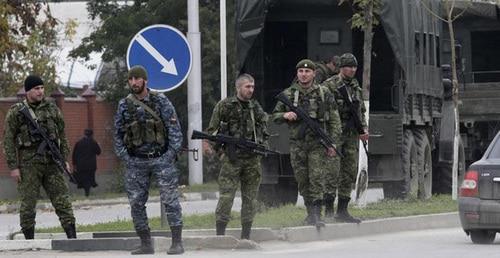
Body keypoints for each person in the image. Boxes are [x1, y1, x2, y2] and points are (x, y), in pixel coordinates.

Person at [113, 65, 184, 255]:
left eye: (137, 79)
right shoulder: (124, 105)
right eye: (131, 79)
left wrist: (169, 155)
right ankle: (145, 243)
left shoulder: (160, 101)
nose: (134, 82)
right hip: (136, 161)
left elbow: (175, 131)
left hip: (161, 159)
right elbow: (118, 135)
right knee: (136, 203)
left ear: (145, 80)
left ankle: (177, 242)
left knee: (170, 200)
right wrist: (125, 157)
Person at [2, 75, 77, 240]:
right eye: (36, 89)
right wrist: (13, 167)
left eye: (42, 88)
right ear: (28, 91)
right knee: (28, 203)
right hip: (29, 163)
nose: (40, 91)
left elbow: (62, 135)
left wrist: (64, 159)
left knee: (62, 200)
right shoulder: (17, 112)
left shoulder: (52, 109)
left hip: (52, 161)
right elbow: (8, 140)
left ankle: (72, 237)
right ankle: (29, 241)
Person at [272, 59, 341, 227]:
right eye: (301, 72)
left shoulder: (323, 93)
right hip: (297, 145)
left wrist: (333, 144)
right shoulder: (289, 94)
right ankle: (310, 213)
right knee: (302, 180)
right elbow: (275, 115)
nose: (304, 75)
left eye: (307, 72)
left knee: (316, 178)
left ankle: (317, 215)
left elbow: (334, 120)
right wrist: (285, 116)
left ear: (314, 73)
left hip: (317, 144)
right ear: (297, 74)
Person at [205, 73, 268, 240]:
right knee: (226, 197)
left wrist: (261, 145)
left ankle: (246, 236)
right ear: (238, 87)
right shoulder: (225, 106)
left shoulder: (255, 107)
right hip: (231, 160)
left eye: (253, 87)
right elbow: (211, 131)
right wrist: (221, 150)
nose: (251, 90)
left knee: (250, 199)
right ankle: (220, 235)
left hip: (252, 160)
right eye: (247, 86)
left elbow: (264, 130)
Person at [323, 53, 369, 223]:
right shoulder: (329, 85)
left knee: (349, 171)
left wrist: (363, 128)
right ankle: (328, 209)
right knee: (332, 171)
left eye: (354, 67)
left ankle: (342, 210)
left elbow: (360, 111)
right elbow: (323, 108)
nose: (352, 70)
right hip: (334, 134)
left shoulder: (355, 87)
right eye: (349, 66)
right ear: (341, 68)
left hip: (350, 135)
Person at [72, 128, 101, 197]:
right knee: (89, 179)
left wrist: (74, 164)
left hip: (81, 165)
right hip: (91, 165)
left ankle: (86, 192)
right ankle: (88, 192)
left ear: (84, 134)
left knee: (84, 179)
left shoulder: (79, 143)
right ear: (91, 135)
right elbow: (98, 152)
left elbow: (74, 154)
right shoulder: (93, 142)